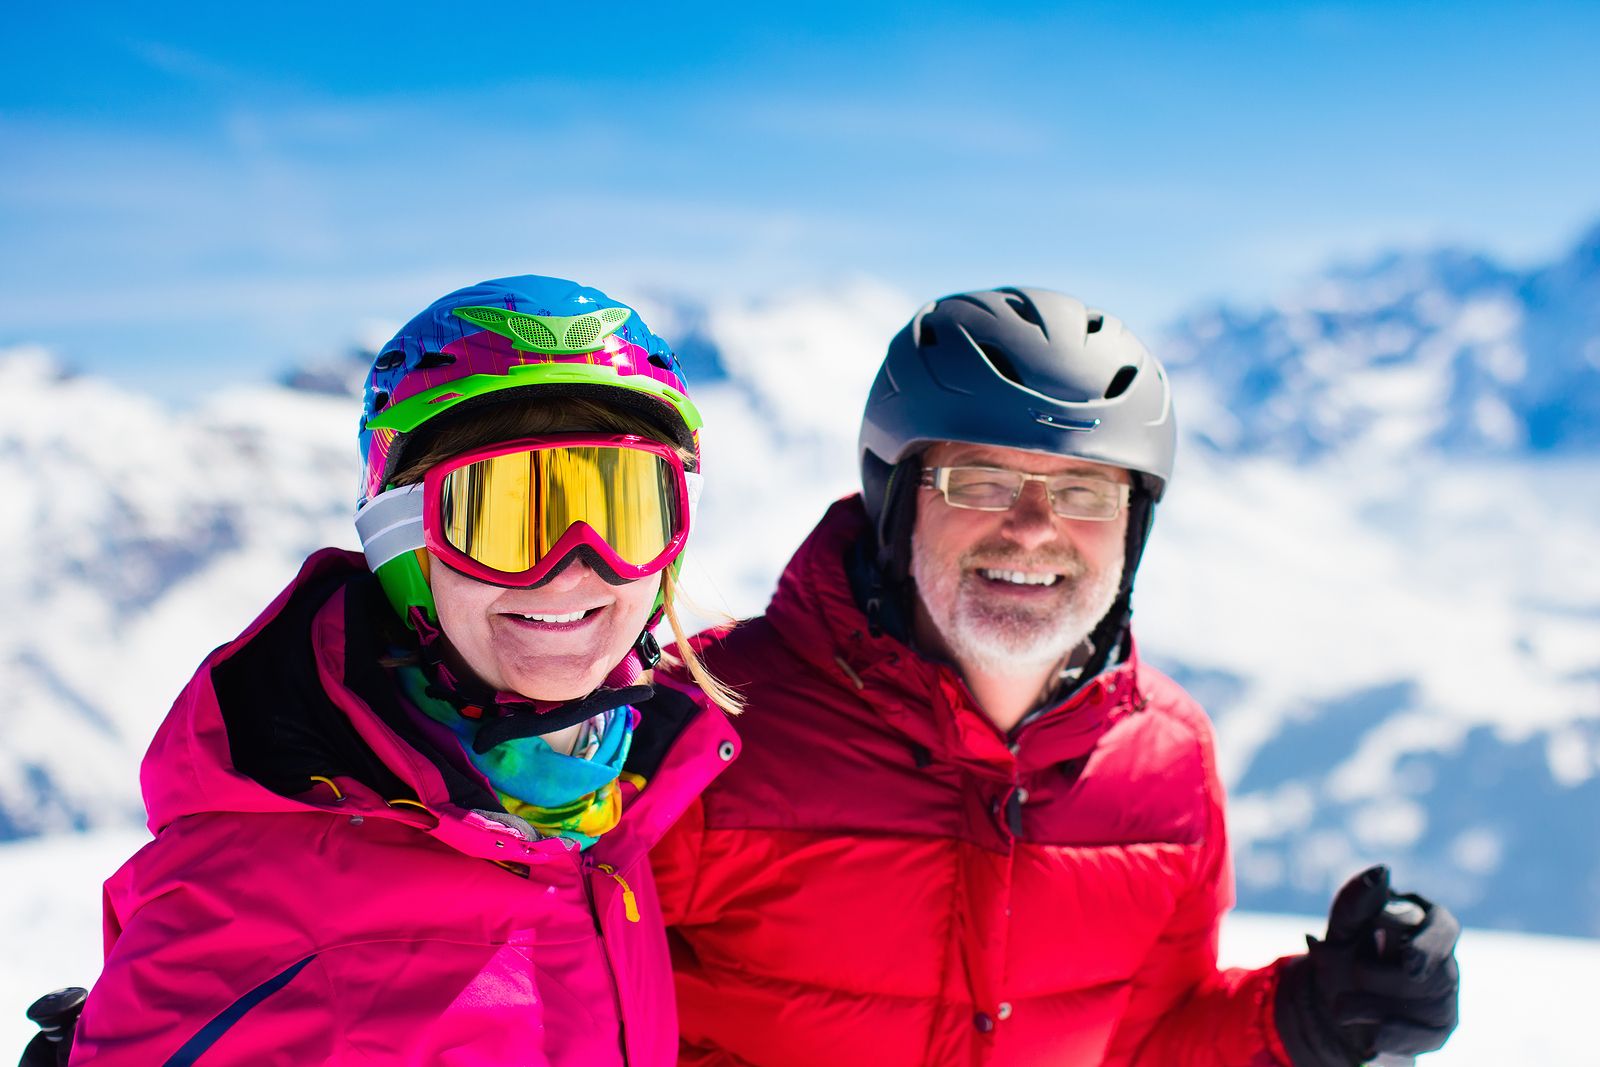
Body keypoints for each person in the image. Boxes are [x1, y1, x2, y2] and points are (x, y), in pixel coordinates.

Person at [651, 287, 1460, 1066]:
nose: (1036, 529)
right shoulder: (703, 723)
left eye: (1085, 491)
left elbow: (1140, 1042)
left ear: (1133, 526)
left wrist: (1308, 1021)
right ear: (896, 498)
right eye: (983, 480)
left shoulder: (1167, 758)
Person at [61, 276, 741, 1066]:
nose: (571, 569)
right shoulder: (248, 904)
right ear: (405, 543)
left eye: (623, 509)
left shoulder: (625, 794)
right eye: (502, 514)